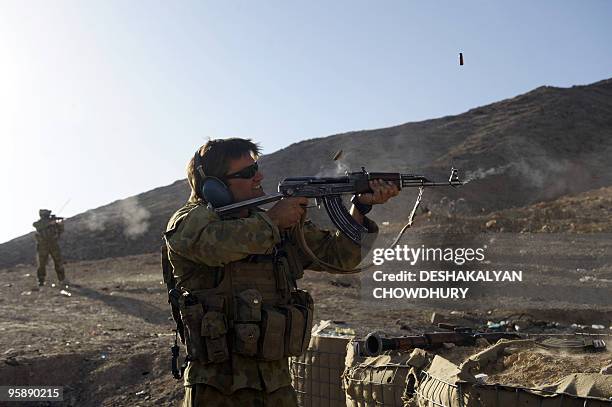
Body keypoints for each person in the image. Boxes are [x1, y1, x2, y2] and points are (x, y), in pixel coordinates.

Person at [164, 138, 398, 407]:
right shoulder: (190, 221)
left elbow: (340, 258)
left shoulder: (273, 221)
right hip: (216, 390)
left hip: (275, 387)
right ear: (214, 186)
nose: (259, 176)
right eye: (248, 173)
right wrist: (273, 221)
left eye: (257, 168)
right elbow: (215, 246)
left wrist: (360, 208)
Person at [33, 209, 66, 287]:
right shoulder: (39, 223)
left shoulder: (53, 224)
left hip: (53, 244)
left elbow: (61, 231)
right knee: (42, 264)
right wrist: (50, 223)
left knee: (58, 262)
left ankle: (62, 279)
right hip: (42, 245)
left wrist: (60, 225)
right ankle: (41, 281)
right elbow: (36, 225)